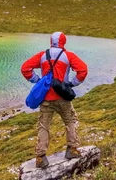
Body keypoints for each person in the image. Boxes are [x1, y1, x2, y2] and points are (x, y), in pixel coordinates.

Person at [21, 31, 88, 169]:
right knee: (70, 121)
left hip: (45, 98)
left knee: (44, 126)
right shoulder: (68, 56)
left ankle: (40, 157)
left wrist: (37, 80)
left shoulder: (42, 55)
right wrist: (72, 83)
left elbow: (25, 68)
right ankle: (72, 149)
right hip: (63, 97)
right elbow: (83, 70)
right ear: (63, 42)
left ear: (51, 41)